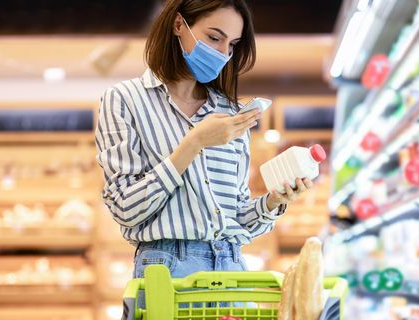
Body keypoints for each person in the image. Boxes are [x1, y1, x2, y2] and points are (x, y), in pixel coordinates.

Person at [95, 0, 312, 283]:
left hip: (231, 266)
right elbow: (125, 209)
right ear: (178, 26)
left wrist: (272, 202)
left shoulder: (231, 114)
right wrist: (193, 144)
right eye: (213, 37)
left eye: (232, 45)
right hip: (167, 267)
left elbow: (236, 218)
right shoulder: (124, 100)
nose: (223, 53)